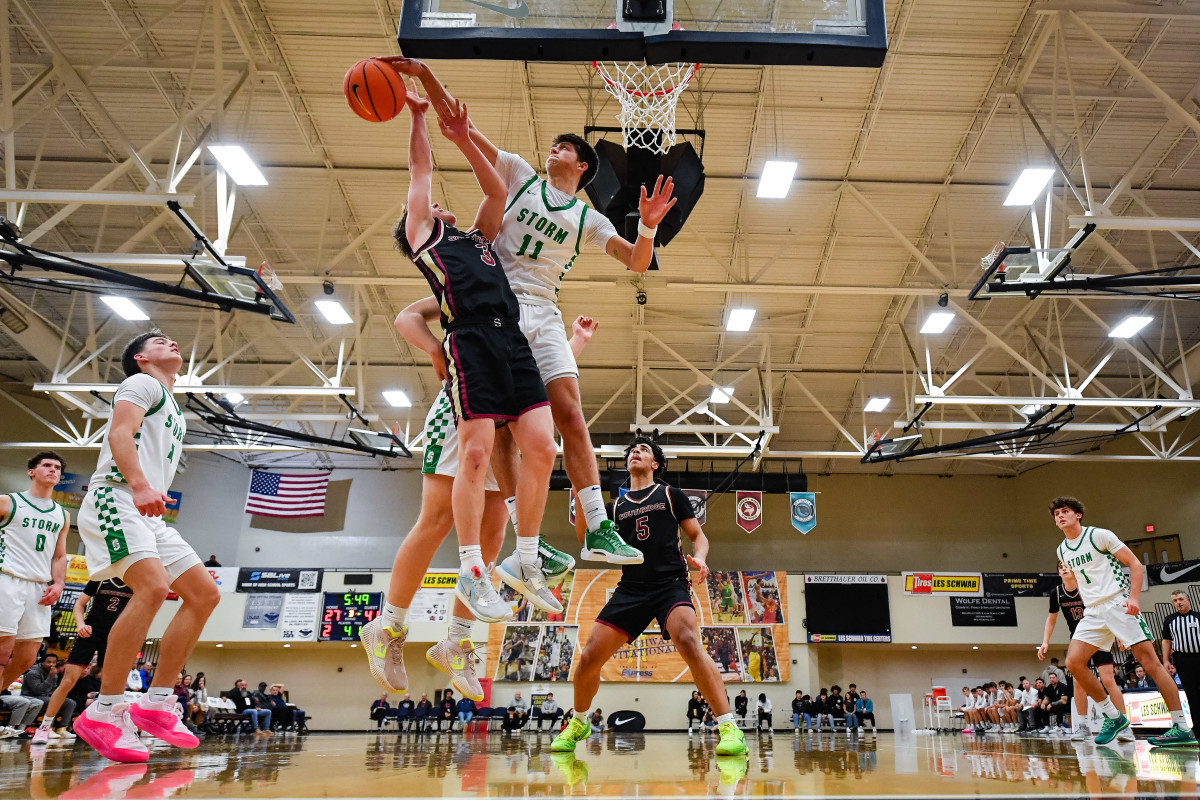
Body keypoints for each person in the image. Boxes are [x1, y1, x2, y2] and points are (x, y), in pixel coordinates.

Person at [388, 56, 677, 568]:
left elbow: (636, 261)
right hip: (494, 304)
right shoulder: (519, 172)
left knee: (570, 415)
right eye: (553, 145)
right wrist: (424, 75)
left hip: (541, 311)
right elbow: (461, 123)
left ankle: (598, 527)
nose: (554, 150)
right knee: (502, 431)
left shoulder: (588, 216)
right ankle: (529, 543)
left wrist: (649, 225)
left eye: (563, 148)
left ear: (582, 165)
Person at [359, 88, 595, 704]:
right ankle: (388, 623)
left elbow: (496, 192)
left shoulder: (486, 243)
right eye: (433, 205)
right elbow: (421, 174)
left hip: (505, 357)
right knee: (437, 517)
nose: (442, 204)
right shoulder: (430, 244)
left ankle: (459, 637)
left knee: (496, 514)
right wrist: (418, 117)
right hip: (467, 375)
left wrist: (466, 133)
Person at [73, 330, 221, 763]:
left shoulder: (172, 403)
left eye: (174, 340)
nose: (172, 343)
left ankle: (156, 704)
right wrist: (139, 484)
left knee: (204, 593)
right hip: (116, 495)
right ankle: (103, 710)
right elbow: (121, 434)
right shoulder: (142, 383)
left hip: (147, 512)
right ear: (140, 358)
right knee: (153, 588)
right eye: (159, 342)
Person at [550, 437, 747, 758]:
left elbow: (698, 535)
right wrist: (581, 494)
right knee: (588, 659)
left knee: (688, 640)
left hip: (670, 582)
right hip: (632, 588)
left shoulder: (670, 494)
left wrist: (702, 557)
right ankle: (579, 721)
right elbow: (586, 538)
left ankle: (728, 726)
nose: (635, 453)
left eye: (643, 450)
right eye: (632, 451)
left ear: (655, 463)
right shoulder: (615, 506)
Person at [1051, 496, 1194, 747]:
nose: (1060, 516)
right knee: (1074, 663)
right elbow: (1077, 582)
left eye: (1065, 511)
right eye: (1056, 514)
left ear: (1078, 515)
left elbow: (1135, 565)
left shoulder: (1099, 535)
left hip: (1118, 603)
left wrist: (1134, 599)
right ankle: (1113, 716)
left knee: (1151, 664)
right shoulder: (1062, 550)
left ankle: (1181, 726)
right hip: (1093, 611)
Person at [0, 452, 69, 694]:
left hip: (40, 588)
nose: (53, 470)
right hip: (8, 578)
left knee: (27, 659)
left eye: (58, 467)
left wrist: (59, 584)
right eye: (47, 465)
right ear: (32, 471)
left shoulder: (62, 514)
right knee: (3, 650)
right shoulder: (8, 501)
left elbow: (59, 556)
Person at [1040, 560, 1132, 741]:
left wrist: (1120, 635)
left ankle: (1124, 726)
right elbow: (1051, 619)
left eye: (1068, 565)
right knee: (1078, 683)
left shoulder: (1088, 588)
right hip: (1078, 639)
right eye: (1061, 567)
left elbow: (1108, 609)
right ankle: (1083, 726)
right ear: (1058, 572)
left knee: (1108, 679)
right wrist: (1045, 642)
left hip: (1098, 636)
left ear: (1075, 570)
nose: (1065, 568)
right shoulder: (1057, 593)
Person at [1162, 589, 1200, 717]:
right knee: (1191, 693)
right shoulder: (1169, 620)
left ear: (1188, 600)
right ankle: (1197, 729)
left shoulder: (1198, 616)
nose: (1178, 602)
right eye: (1175, 600)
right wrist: (1166, 660)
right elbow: (1166, 641)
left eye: (1181, 599)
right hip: (1182, 660)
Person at [22, 654, 73, 736]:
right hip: (31, 697)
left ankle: (62, 728)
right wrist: (50, 677)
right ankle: (47, 728)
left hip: (45, 697)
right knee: (52, 701)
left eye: (54, 662)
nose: (51, 664)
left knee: (70, 702)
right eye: (48, 662)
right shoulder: (33, 673)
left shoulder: (53, 674)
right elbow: (37, 691)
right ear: (43, 662)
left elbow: (53, 690)